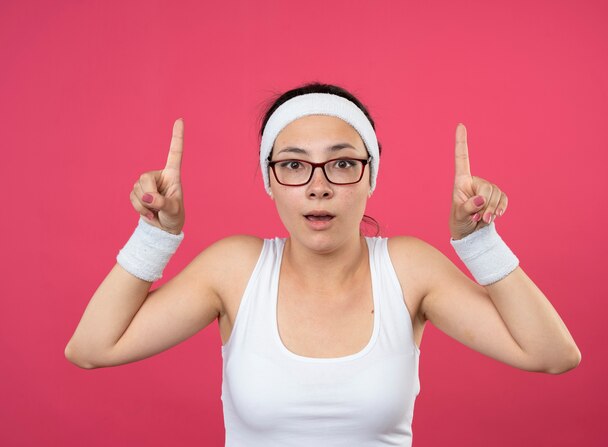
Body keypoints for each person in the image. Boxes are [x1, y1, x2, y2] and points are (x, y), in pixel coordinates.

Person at [65, 82, 581, 446]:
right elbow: (92, 348)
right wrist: (157, 235)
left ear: (371, 175)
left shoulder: (408, 269)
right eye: (292, 164)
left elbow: (553, 355)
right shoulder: (235, 269)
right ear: (268, 181)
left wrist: (479, 243)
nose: (318, 184)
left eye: (341, 163)